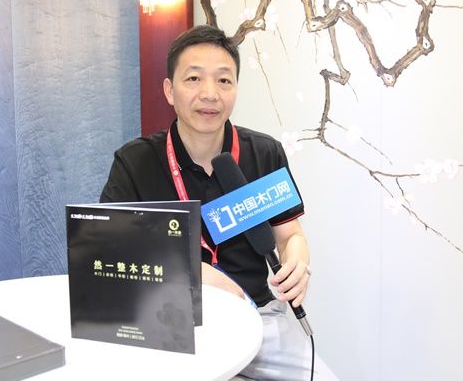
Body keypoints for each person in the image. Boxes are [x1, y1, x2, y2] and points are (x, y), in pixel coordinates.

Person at [100, 24, 338, 380]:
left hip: (257, 316)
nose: (210, 94)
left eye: (224, 80)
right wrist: (189, 272)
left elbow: (290, 235)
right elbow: (108, 252)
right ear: (170, 90)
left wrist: (297, 262)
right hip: (168, 320)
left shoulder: (264, 153)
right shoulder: (135, 162)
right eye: (194, 79)